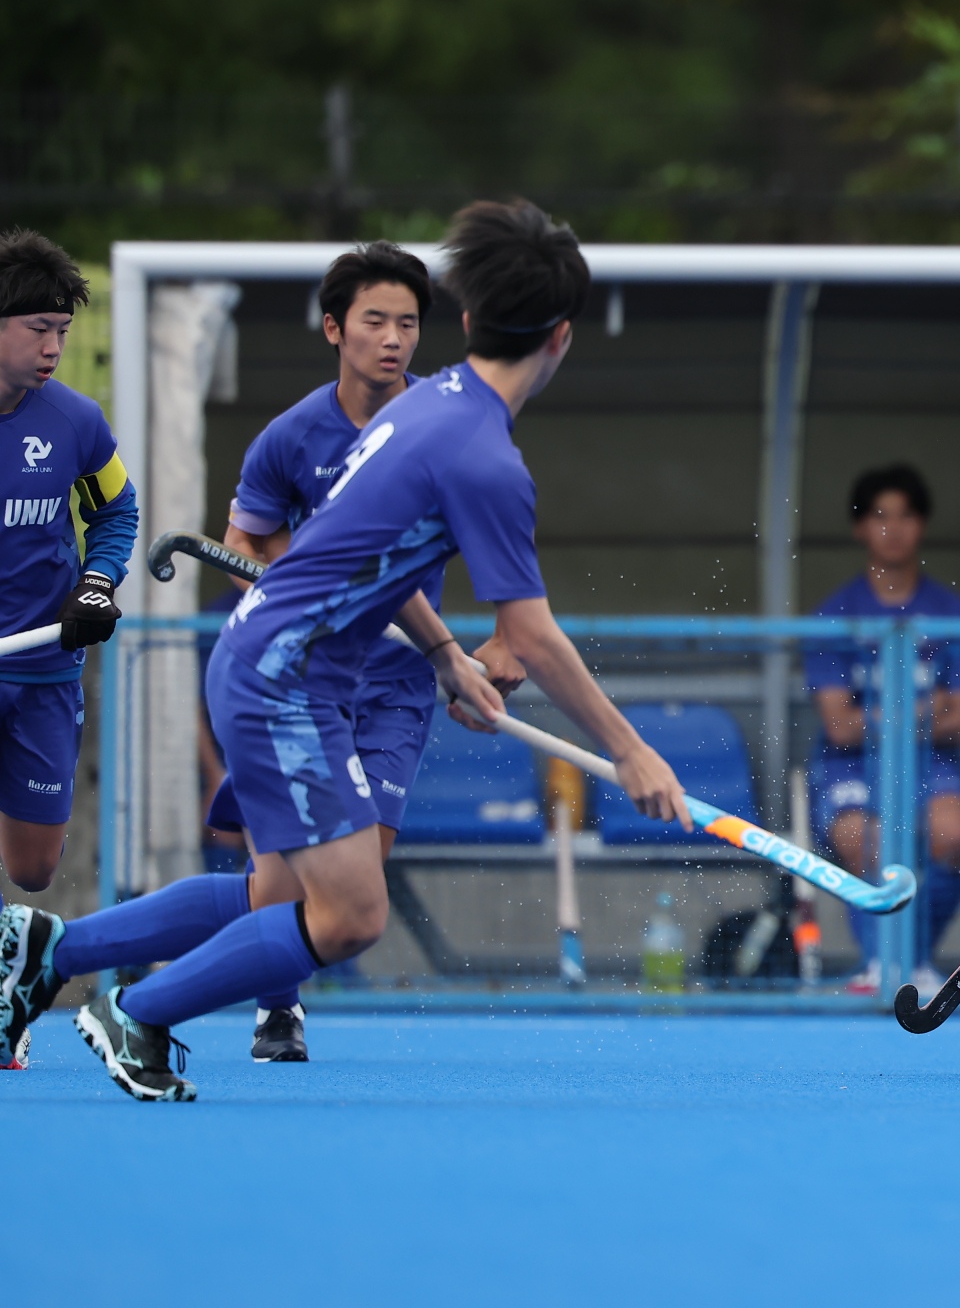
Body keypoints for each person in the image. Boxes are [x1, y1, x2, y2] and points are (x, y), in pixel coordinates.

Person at [0, 200, 690, 1100]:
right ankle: (140, 1012)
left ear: (468, 321)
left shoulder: (429, 407)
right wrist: (630, 751)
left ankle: (55, 950)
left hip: (285, 665)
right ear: (560, 339)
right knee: (352, 912)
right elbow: (531, 635)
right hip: (285, 678)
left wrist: (443, 655)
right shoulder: (484, 456)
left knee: (281, 892)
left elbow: (367, 556)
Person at [200, 243, 523, 1063]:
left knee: (353, 876)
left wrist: (487, 644)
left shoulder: (441, 426)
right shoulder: (290, 437)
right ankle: (275, 1005)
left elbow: (495, 548)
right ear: (334, 329)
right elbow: (244, 542)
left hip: (395, 685)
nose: (393, 339)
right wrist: (301, 592)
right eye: (374, 321)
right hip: (298, 682)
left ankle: (125, 972)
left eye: (408, 324)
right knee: (287, 878)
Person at [0, 231, 137, 1065]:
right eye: (37, 329)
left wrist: (96, 583)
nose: (53, 348)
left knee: (33, 870)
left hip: (45, 671)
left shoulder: (77, 422)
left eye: (62, 330)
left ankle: (17, 955)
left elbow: (116, 512)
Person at [805, 463, 960, 995]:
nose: (893, 529)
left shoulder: (953, 613)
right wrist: (928, 708)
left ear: (922, 524)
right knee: (865, 839)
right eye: (880, 516)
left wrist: (883, 716)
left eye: (905, 516)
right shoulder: (834, 615)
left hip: (932, 761)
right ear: (860, 527)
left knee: (955, 836)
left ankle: (912, 960)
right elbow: (840, 727)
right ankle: (884, 964)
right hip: (851, 764)